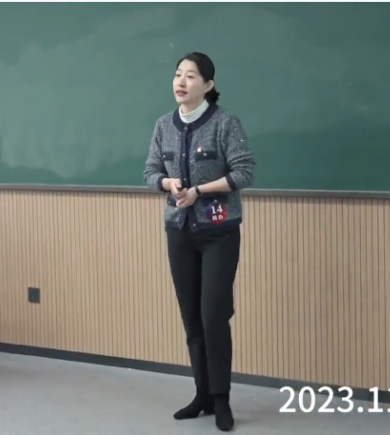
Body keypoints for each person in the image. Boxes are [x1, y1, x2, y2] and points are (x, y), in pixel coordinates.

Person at [142, 52, 256, 432]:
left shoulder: (225, 123)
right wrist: (167, 183)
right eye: (178, 74)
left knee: (213, 315)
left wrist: (199, 190)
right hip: (179, 231)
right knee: (191, 316)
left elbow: (245, 171)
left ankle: (221, 399)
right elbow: (150, 171)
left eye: (191, 76)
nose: (181, 81)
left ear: (208, 85)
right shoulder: (164, 125)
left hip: (219, 232)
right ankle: (202, 395)